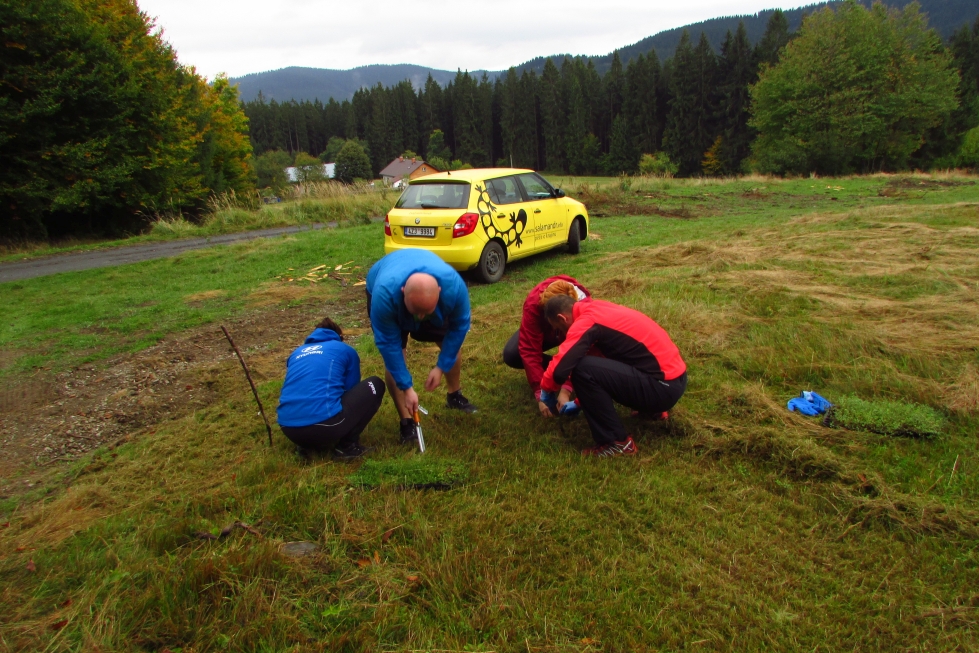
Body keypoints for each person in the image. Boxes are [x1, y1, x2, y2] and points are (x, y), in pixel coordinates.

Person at [539, 294, 687, 458]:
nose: (562, 334)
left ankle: (616, 442)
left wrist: (546, 391)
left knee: (581, 368)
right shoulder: (599, 308)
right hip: (675, 380)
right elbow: (606, 364)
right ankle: (653, 411)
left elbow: (560, 368)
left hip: (661, 389)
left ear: (562, 318)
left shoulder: (587, 321)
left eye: (559, 329)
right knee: (590, 365)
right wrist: (581, 402)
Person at [366, 249, 477, 445]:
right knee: (397, 354)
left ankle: (454, 395)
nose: (420, 318)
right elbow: (389, 346)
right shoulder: (384, 295)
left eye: (426, 312)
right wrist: (407, 388)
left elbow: (459, 329)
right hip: (387, 288)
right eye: (416, 312)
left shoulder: (454, 286)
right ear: (403, 293)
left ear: (439, 293)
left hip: (429, 301)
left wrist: (441, 366)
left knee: (447, 343)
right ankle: (406, 421)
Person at [276, 318, 384, 459]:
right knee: (376, 384)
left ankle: (306, 446)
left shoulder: (296, 353)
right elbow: (351, 389)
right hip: (326, 427)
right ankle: (347, 447)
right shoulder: (344, 349)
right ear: (339, 336)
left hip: (288, 429)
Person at [502, 277, 590, 410]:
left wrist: (566, 389)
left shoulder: (586, 308)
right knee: (512, 354)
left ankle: (571, 372)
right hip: (546, 333)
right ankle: (556, 369)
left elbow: (580, 349)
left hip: (577, 333)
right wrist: (540, 392)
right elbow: (529, 349)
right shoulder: (533, 304)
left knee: (587, 358)